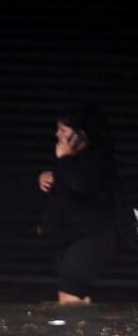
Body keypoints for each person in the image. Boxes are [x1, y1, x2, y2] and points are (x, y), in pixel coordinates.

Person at [38, 106, 119, 304]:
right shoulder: (70, 158)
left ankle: (73, 334)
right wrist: (44, 176)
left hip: (91, 237)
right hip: (70, 237)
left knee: (69, 295)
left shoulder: (95, 157)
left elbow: (80, 185)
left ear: (81, 135)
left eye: (64, 130)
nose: (58, 134)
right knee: (77, 296)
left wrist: (64, 158)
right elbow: (65, 184)